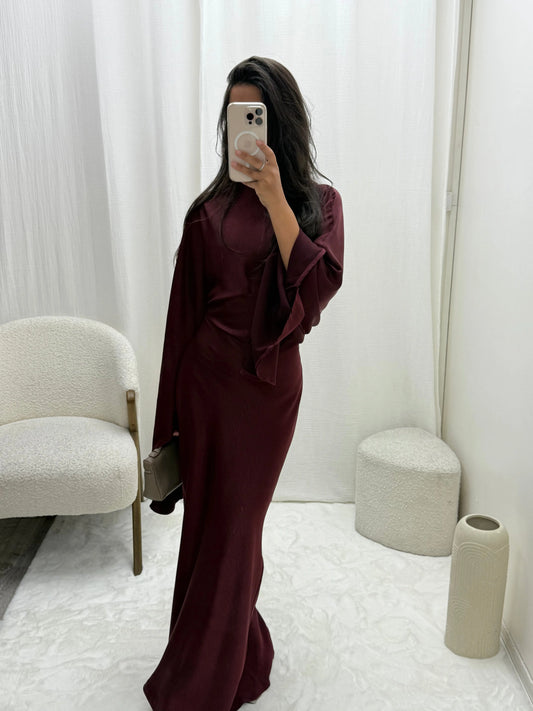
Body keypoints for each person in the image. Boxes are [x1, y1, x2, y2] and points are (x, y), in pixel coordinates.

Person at [143, 56, 344, 711]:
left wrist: (276, 199)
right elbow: (180, 322)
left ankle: (204, 678)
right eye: (235, 116)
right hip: (206, 391)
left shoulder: (320, 204)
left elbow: (317, 290)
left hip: (268, 397)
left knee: (237, 529)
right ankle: (238, 654)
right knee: (212, 529)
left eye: (255, 114)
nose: (245, 129)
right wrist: (167, 425)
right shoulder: (206, 213)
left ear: (279, 122)